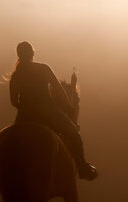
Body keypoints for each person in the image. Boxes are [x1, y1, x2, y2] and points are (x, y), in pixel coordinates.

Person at [9, 41, 97, 180]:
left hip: (24, 116)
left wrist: (25, 107)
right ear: (32, 53)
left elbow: (14, 102)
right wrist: (68, 106)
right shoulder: (43, 68)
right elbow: (58, 89)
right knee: (73, 132)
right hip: (47, 110)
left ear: (19, 55)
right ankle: (82, 168)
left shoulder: (15, 76)